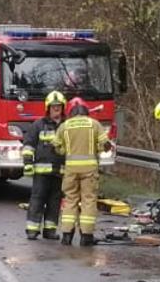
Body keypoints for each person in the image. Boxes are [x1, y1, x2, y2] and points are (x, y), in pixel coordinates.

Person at [56, 98, 108, 246]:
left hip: (71, 170)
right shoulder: (94, 124)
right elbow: (105, 145)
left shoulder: (64, 126)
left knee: (70, 200)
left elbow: (56, 147)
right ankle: (86, 237)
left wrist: (67, 151)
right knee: (88, 200)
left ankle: (66, 235)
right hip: (89, 170)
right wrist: (96, 150)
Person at [22, 91, 67, 240]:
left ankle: (50, 230)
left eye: (58, 107)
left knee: (54, 202)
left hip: (59, 171)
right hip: (41, 172)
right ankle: (32, 229)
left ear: (63, 108)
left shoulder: (66, 126)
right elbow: (28, 145)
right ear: (48, 108)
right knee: (38, 199)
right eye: (53, 107)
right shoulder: (38, 125)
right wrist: (28, 163)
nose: (56, 109)